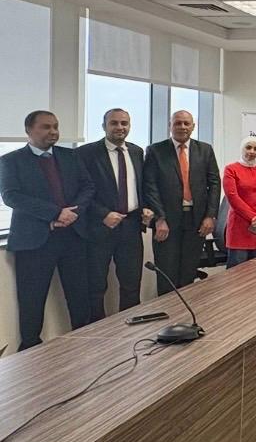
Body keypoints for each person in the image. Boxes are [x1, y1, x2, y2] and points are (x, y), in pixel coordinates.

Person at [0, 110, 94, 350]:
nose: (53, 132)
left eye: (55, 126)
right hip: (34, 242)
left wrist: (73, 213)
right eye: (45, 127)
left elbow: (87, 187)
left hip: (72, 237)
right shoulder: (11, 160)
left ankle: (83, 345)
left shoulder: (70, 156)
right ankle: (31, 350)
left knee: (80, 297)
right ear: (28, 130)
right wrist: (54, 213)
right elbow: (11, 196)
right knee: (32, 300)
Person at [78, 108, 151, 319]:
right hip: (99, 227)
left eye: (124, 123)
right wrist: (103, 214)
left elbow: (140, 186)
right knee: (96, 286)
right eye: (114, 123)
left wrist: (145, 207)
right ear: (104, 126)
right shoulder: (86, 153)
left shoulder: (136, 152)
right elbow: (80, 192)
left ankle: (129, 329)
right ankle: (98, 331)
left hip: (131, 226)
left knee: (131, 284)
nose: (120, 127)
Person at [143, 110, 221, 291]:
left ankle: (185, 309)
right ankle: (168, 309)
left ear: (193, 127)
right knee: (167, 273)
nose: (182, 127)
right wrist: (160, 218)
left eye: (187, 123)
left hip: (197, 221)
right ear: (170, 126)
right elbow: (150, 186)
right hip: (166, 222)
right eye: (178, 123)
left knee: (188, 272)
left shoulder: (205, 150)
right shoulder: (156, 150)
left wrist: (210, 216)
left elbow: (214, 183)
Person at [223, 136, 256, 267]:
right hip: (240, 227)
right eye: (248, 147)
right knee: (237, 271)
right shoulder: (231, 169)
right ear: (242, 148)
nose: (252, 151)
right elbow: (233, 197)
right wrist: (253, 218)